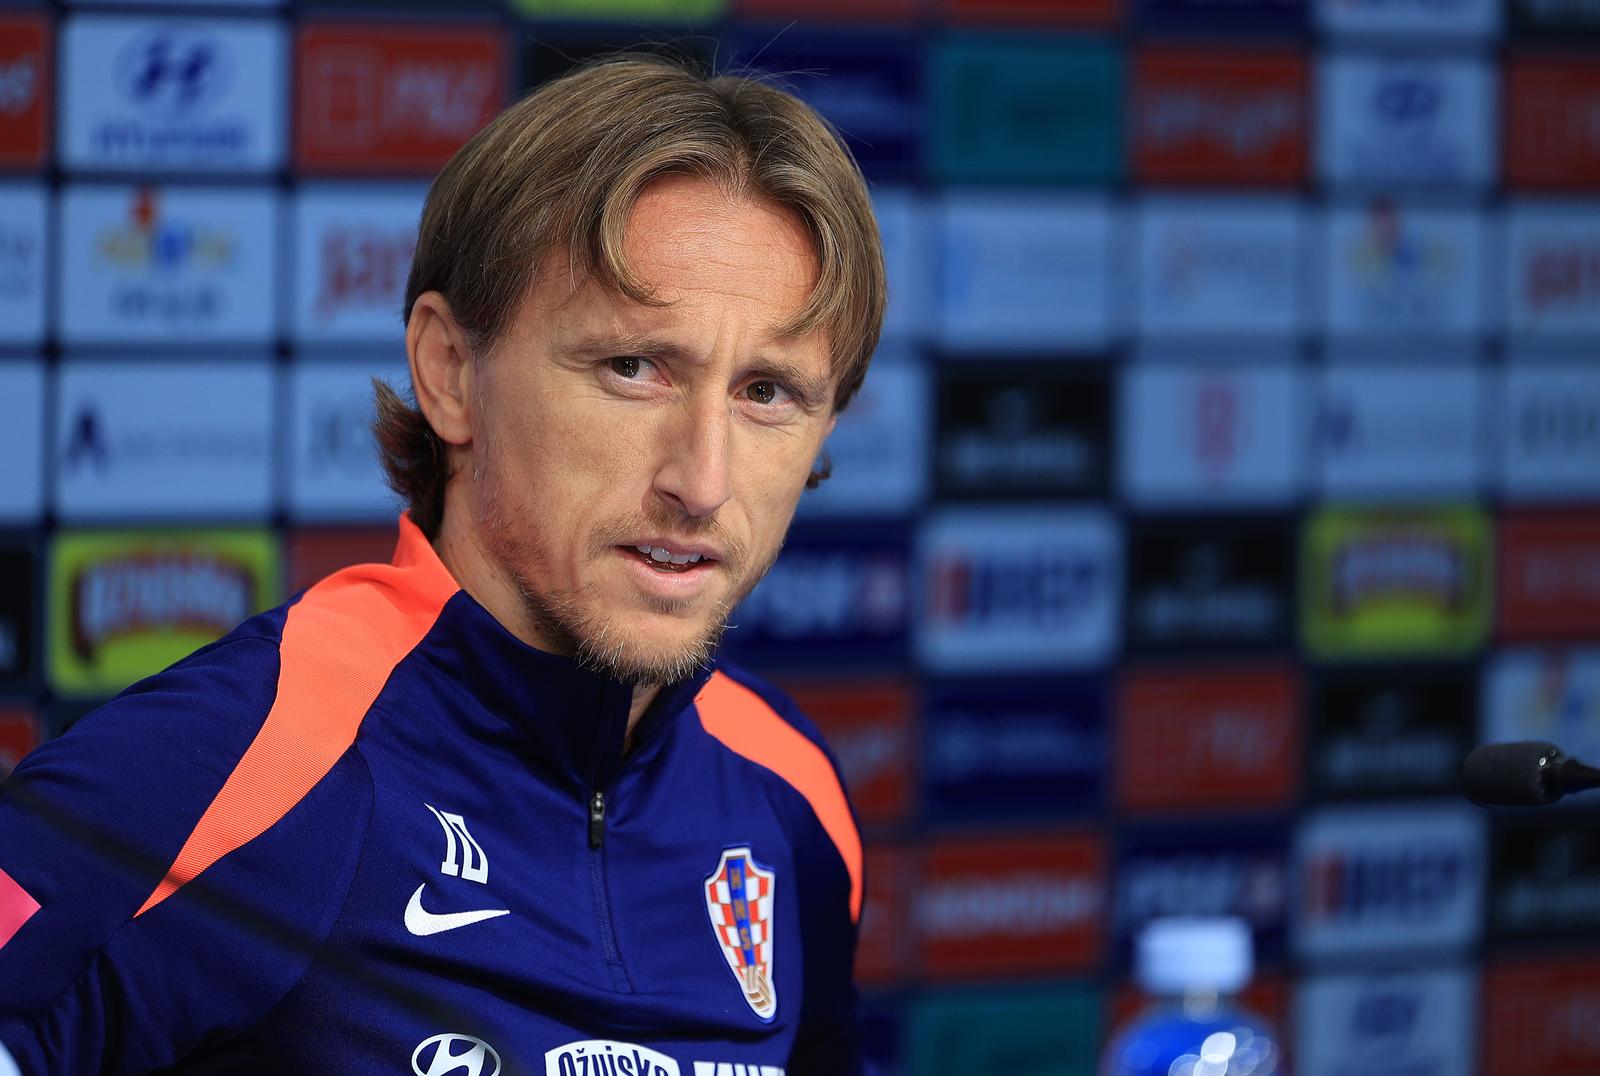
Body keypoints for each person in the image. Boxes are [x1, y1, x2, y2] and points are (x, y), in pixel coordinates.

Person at [0, 56, 884, 1075]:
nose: (701, 478)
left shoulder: (791, 793)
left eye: (768, 392)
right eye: (632, 368)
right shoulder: (233, 760)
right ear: (451, 372)